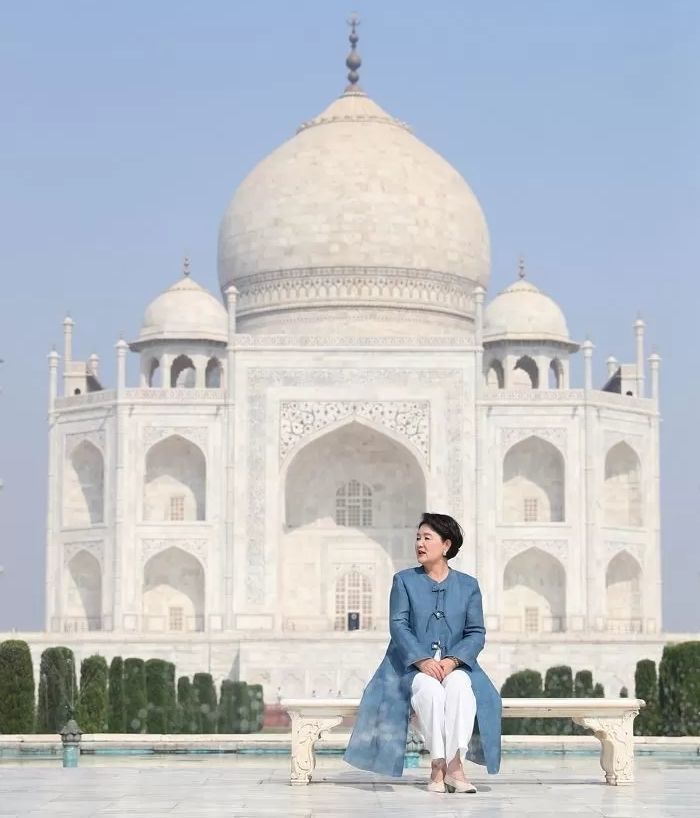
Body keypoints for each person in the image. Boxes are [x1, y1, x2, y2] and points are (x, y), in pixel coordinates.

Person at [344, 512, 501, 793]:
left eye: (427, 538)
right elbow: (399, 625)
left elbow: (476, 632)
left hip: (456, 664)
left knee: (461, 690)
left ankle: (455, 765)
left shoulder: (468, 586)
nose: (420, 543)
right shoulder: (404, 581)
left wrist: (453, 661)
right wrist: (422, 659)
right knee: (430, 692)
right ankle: (438, 765)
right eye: (418, 537)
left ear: (446, 545)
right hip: (411, 666)